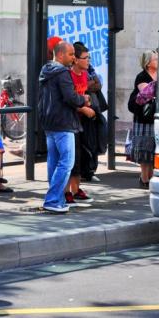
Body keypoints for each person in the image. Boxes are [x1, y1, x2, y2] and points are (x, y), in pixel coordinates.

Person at [38, 40, 89, 213]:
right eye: (71, 54)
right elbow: (70, 98)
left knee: (54, 161)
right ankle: (52, 200)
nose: (73, 57)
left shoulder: (46, 70)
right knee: (67, 162)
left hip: (49, 122)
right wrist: (84, 99)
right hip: (63, 122)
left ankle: (57, 198)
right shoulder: (62, 73)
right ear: (60, 54)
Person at [64, 42, 96, 205]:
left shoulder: (84, 74)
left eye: (88, 57)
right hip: (70, 120)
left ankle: (76, 189)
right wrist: (83, 108)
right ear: (75, 60)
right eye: (85, 58)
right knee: (70, 156)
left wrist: (86, 101)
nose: (88, 60)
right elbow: (68, 100)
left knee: (80, 155)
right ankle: (66, 191)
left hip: (81, 120)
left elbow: (82, 95)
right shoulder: (68, 75)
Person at [129, 50, 157, 188]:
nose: (158, 61)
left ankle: (151, 177)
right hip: (144, 117)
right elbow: (148, 94)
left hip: (155, 117)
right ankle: (144, 177)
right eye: (155, 59)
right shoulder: (142, 77)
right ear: (148, 63)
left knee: (153, 149)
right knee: (144, 149)